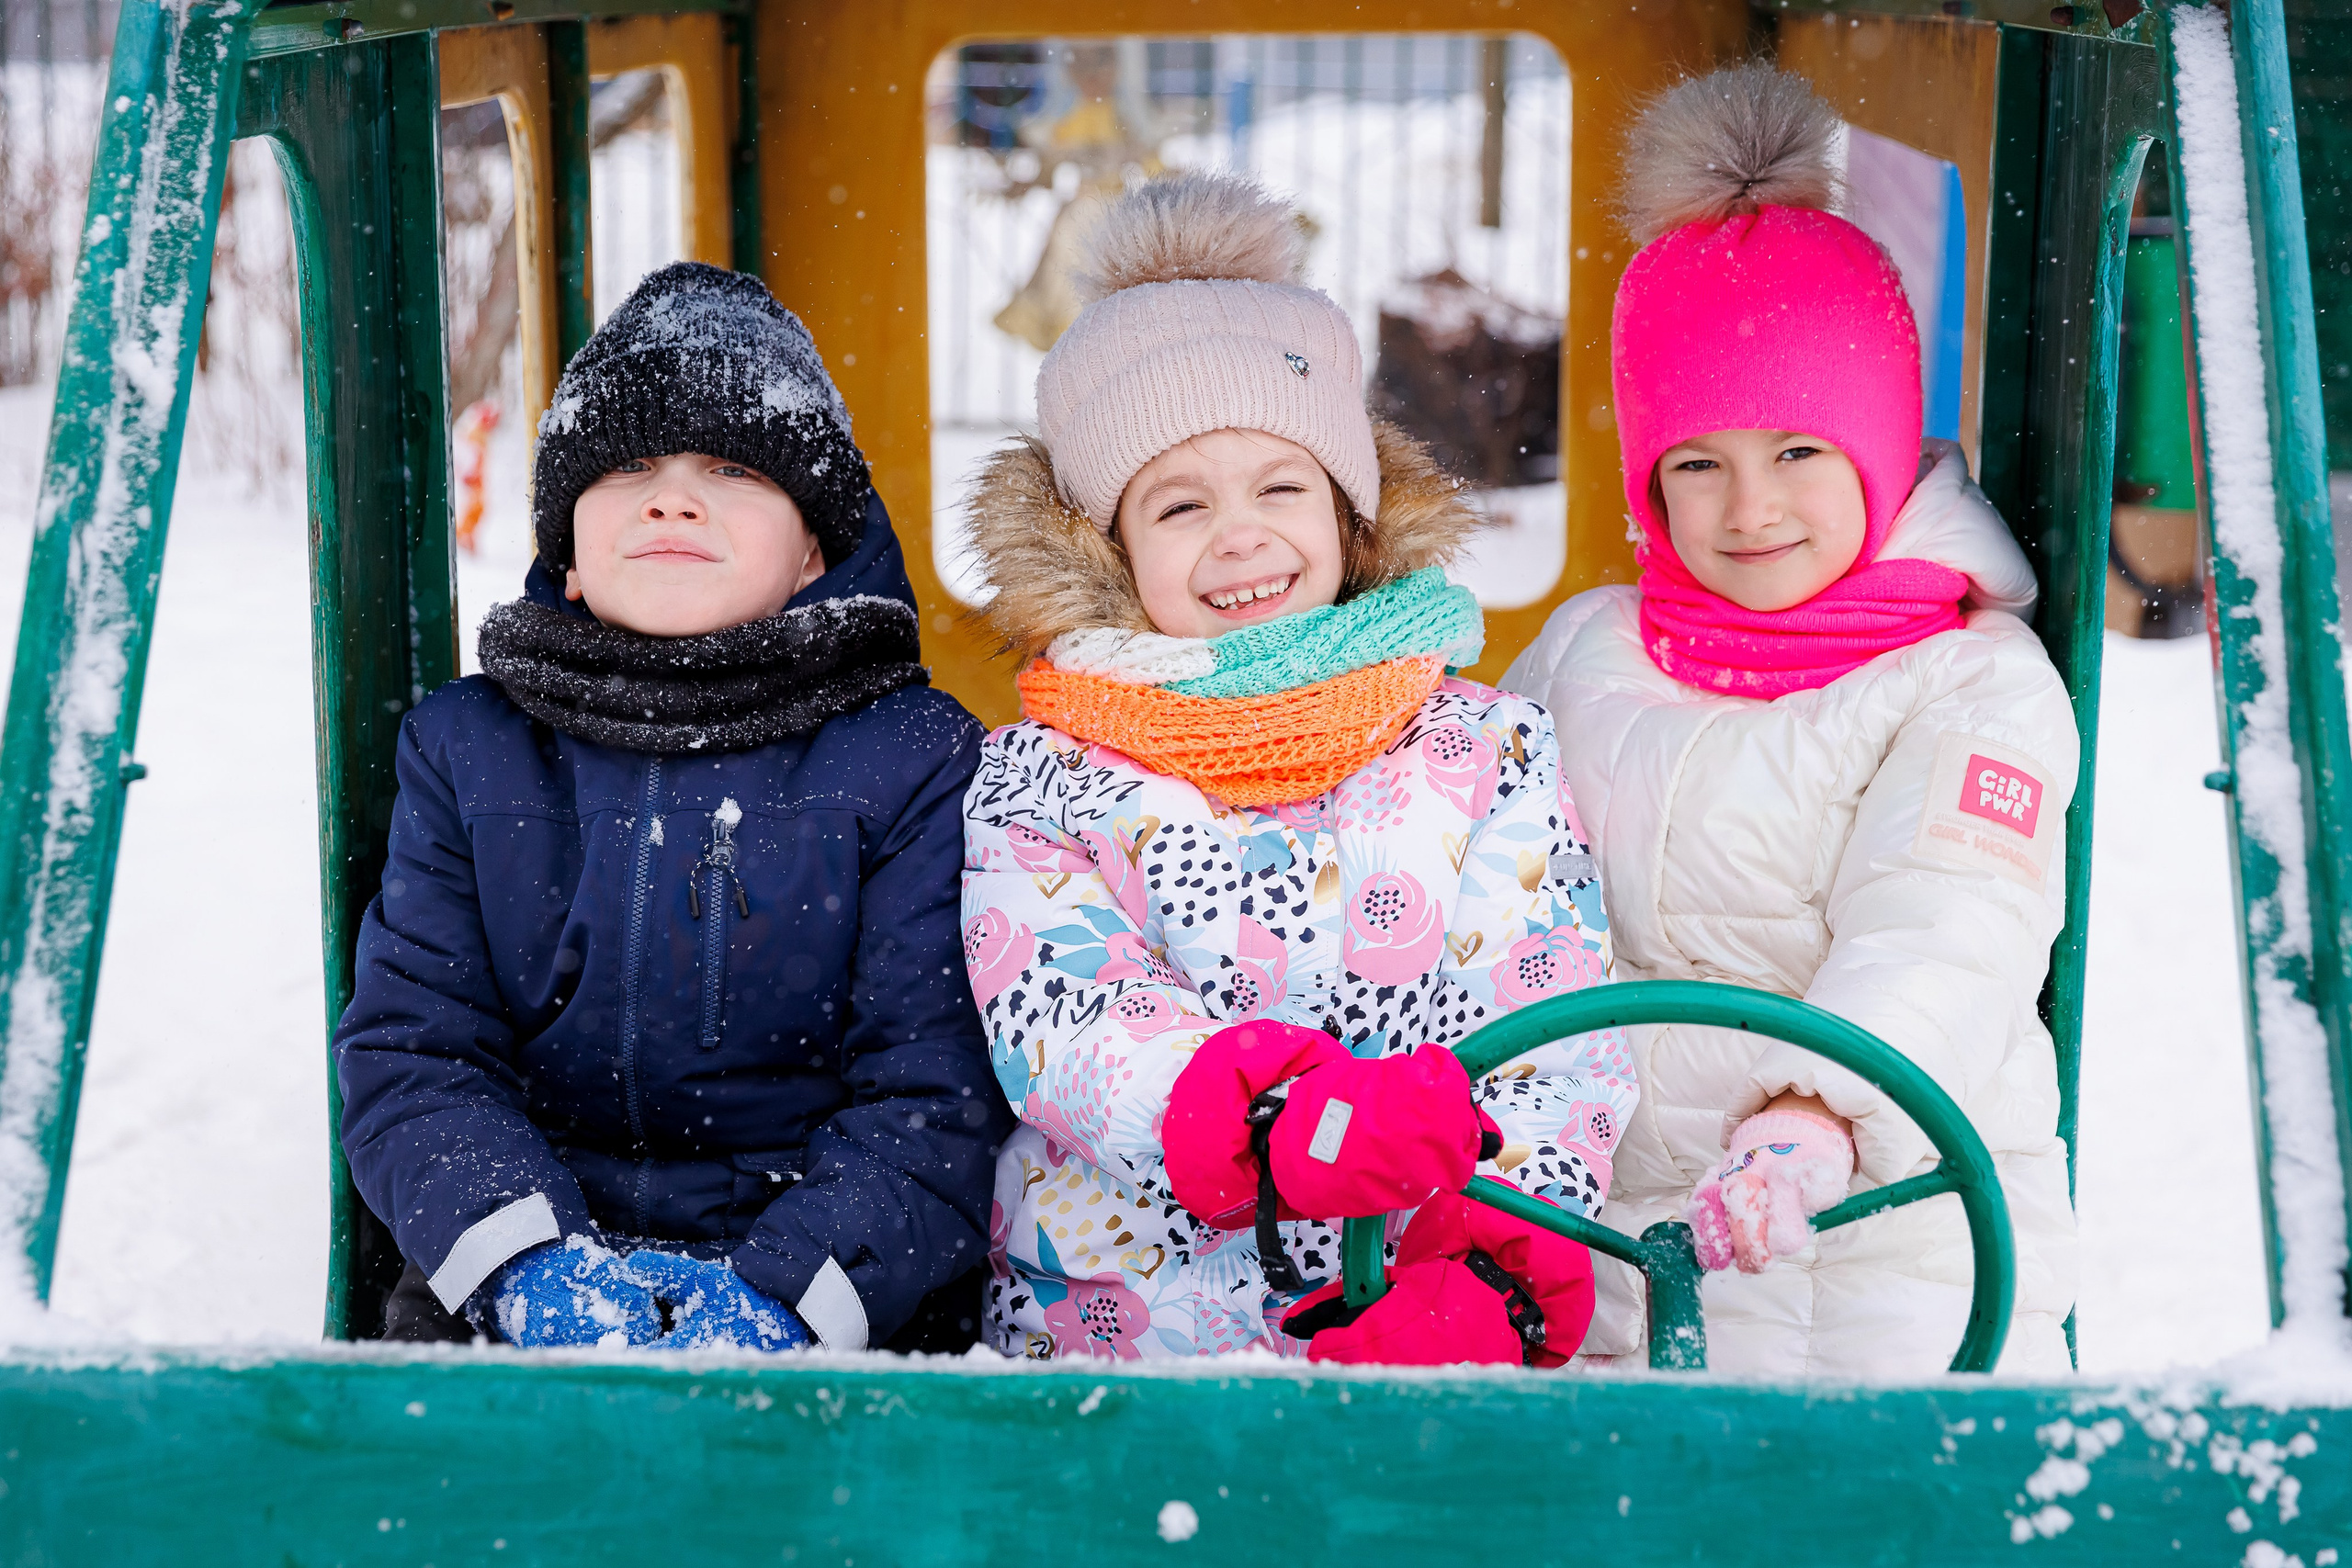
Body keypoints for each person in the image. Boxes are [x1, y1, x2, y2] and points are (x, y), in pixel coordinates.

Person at [959, 173, 1630, 1366]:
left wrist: (1492, 1260)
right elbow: (1068, 1014)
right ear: (1107, 552)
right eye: (1178, 505)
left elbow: (1553, 1029)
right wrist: (1261, 1114)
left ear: (1350, 513)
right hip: (1120, 1334)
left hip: (1405, 1317)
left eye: (1281, 486)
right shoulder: (1046, 779)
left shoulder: (1482, 749)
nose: (1240, 534)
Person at [1502, 64, 2078, 1375]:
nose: (1751, 508)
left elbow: (1950, 921)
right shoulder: (1590, 649)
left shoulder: (1969, 679)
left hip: (1888, 1249)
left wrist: (1817, 1108)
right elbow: (1482, 863)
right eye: (1698, 465)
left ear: (1879, 444)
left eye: (1800, 452)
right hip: (1600, 1260)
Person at [333, 262, 1011, 1351]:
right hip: (513, 1279)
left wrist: (792, 1289)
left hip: (836, 1298)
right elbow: (419, 1052)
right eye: (628, 466)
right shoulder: (469, 750)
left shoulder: (913, 760)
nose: (671, 496)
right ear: (569, 548)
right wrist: (523, 1262)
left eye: (733, 467)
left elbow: (936, 1092)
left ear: (813, 553)